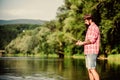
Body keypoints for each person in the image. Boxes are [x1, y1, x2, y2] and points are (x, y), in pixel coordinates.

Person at [76, 14, 100, 80]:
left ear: (90, 20)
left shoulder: (94, 27)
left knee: (92, 69)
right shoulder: (89, 28)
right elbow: (88, 40)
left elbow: (92, 40)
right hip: (88, 51)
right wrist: (81, 42)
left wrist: (82, 43)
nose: (85, 22)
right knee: (89, 70)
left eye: (85, 20)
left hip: (92, 52)